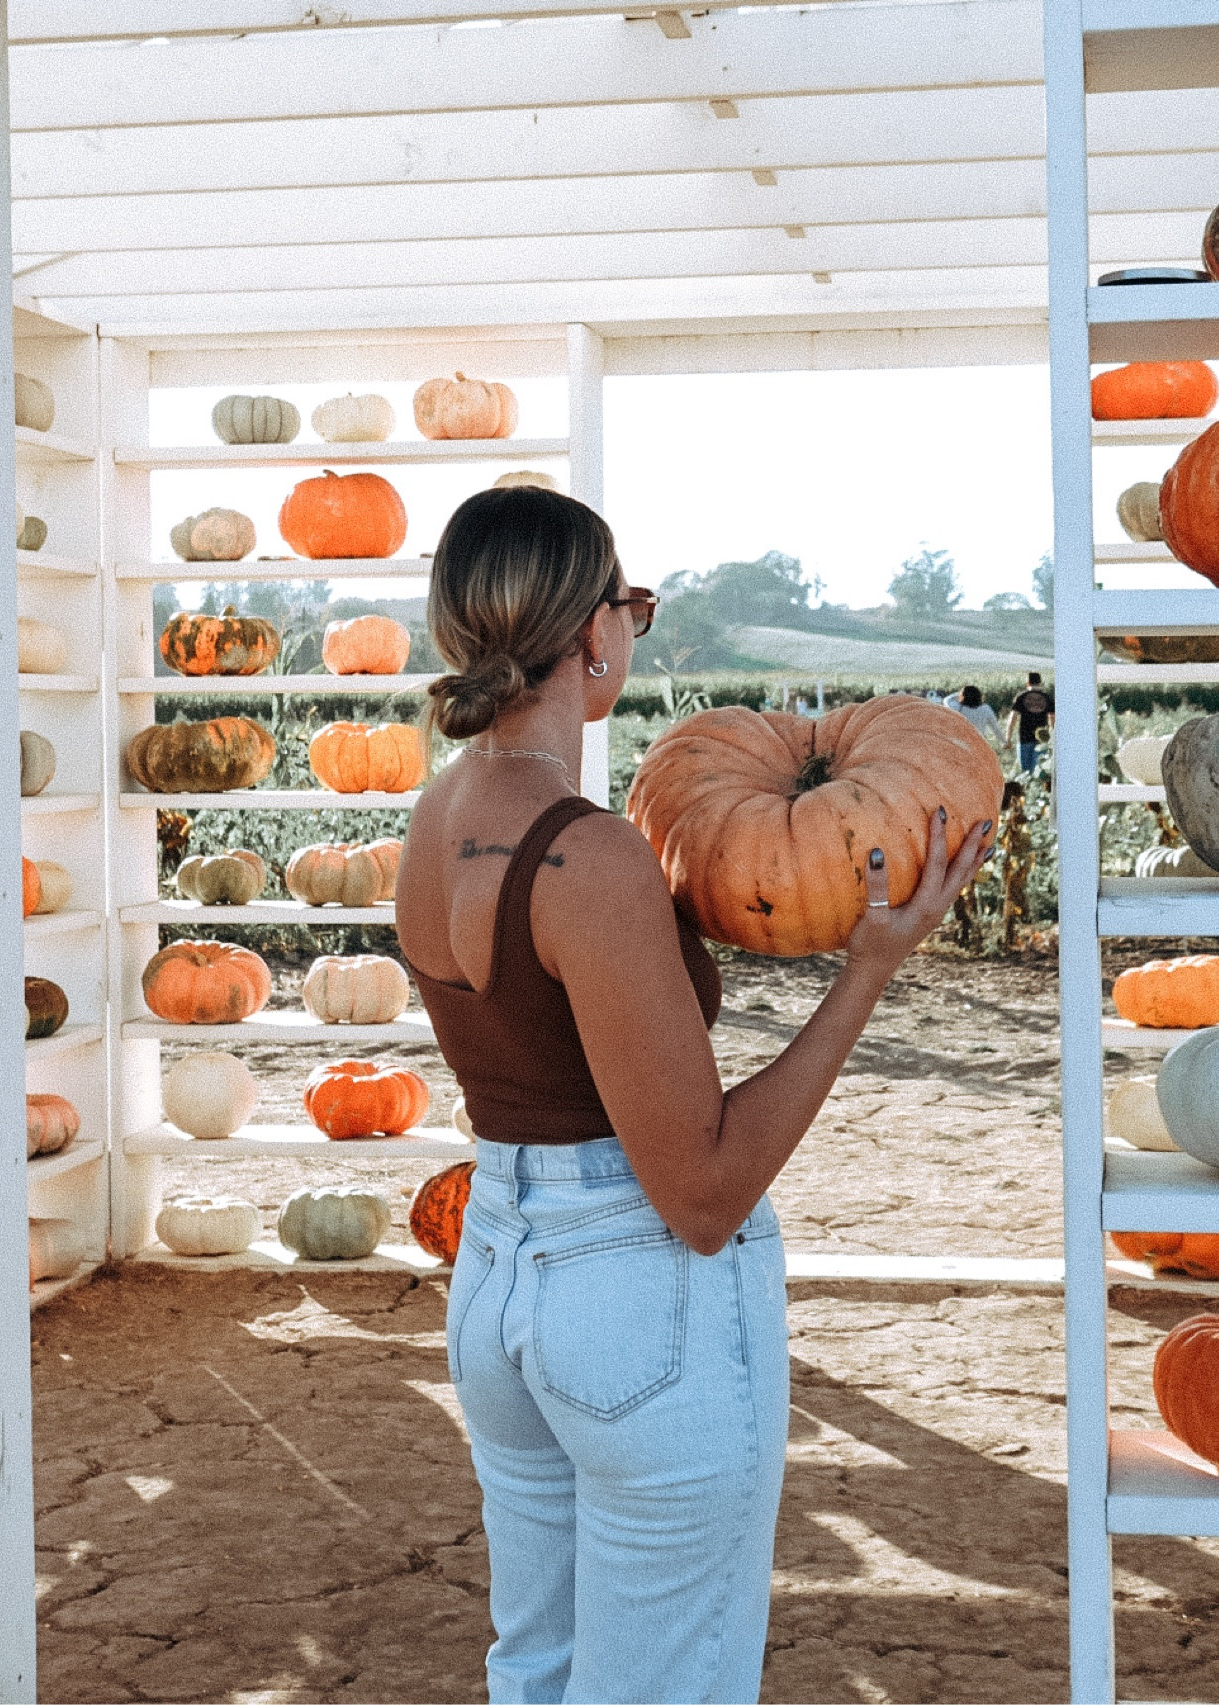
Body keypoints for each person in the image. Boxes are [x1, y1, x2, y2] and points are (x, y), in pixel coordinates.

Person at [394, 486, 993, 1705]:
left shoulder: (436, 815)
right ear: (593, 632)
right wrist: (868, 968)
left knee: (539, 1669)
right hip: (630, 1296)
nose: (632, 627)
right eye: (633, 605)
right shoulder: (585, 852)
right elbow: (704, 1192)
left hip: (497, 1270)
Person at [1006, 670, 1055, 774]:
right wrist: (1053, 738)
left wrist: (1008, 738)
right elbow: (1053, 720)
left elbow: (1012, 719)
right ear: (1040, 683)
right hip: (1042, 739)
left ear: (1027, 683)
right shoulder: (1048, 698)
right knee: (1038, 771)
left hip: (1024, 738)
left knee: (1026, 772)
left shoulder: (1021, 697)